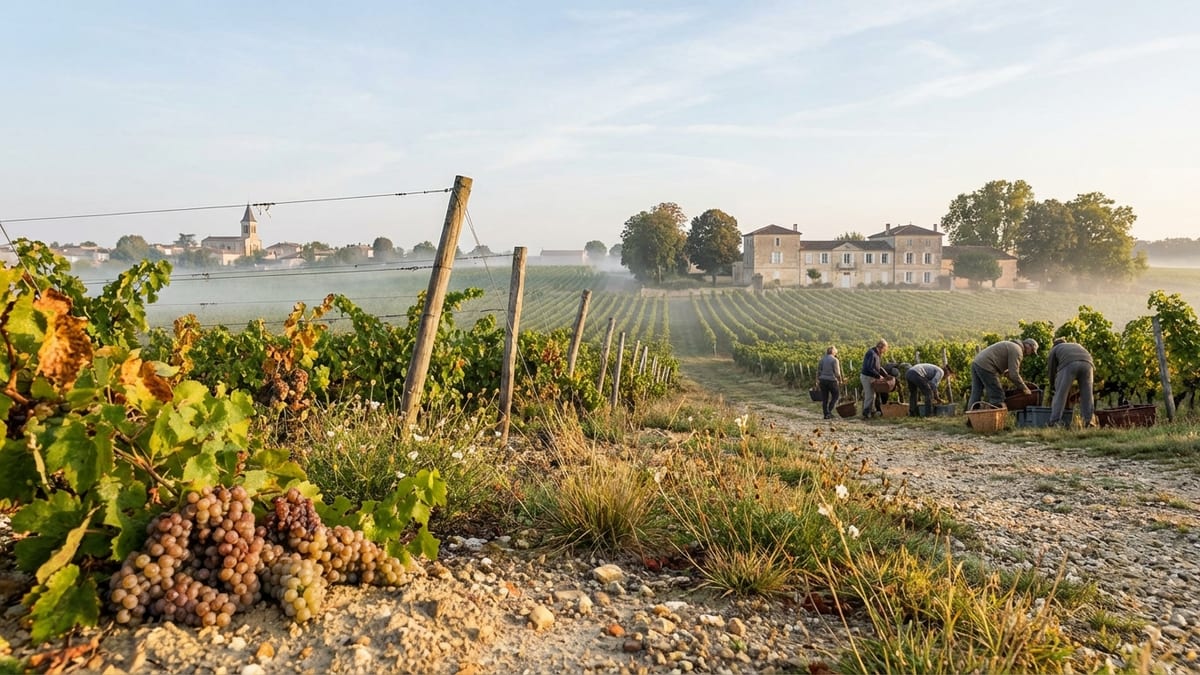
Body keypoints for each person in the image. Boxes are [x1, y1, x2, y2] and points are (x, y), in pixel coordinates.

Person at [968, 338, 1038, 409]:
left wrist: (1008, 373)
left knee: (976, 393)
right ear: (1028, 345)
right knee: (998, 395)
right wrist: (1025, 388)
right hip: (986, 366)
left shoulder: (1013, 346)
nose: (1030, 353)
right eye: (1032, 350)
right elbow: (1014, 375)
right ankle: (995, 418)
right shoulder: (1017, 350)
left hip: (977, 362)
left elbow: (1009, 371)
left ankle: (971, 418)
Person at [1047, 338, 1095, 428]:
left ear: (1054, 345)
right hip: (1088, 364)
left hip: (1070, 364)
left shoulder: (1055, 349)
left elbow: (1051, 369)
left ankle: (1054, 421)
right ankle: (1088, 421)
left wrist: (1052, 384)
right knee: (1087, 395)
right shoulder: (1076, 345)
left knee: (1061, 394)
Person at [859, 339, 890, 419]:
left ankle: (872, 411)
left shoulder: (876, 354)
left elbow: (878, 367)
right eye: (885, 349)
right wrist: (878, 376)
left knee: (873, 395)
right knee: (869, 395)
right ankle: (866, 413)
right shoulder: (871, 353)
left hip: (871, 376)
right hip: (867, 377)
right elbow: (869, 368)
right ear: (881, 347)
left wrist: (886, 374)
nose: (884, 351)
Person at [815, 346, 844, 419]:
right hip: (832, 380)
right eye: (835, 352)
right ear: (833, 352)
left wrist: (817, 380)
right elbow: (837, 373)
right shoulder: (835, 360)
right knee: (836, 396)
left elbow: (818, 371)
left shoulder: (822, 359)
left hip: (822, 380)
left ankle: (825, 414)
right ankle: (829, 411)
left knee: (825, 398)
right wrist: (840, 381)